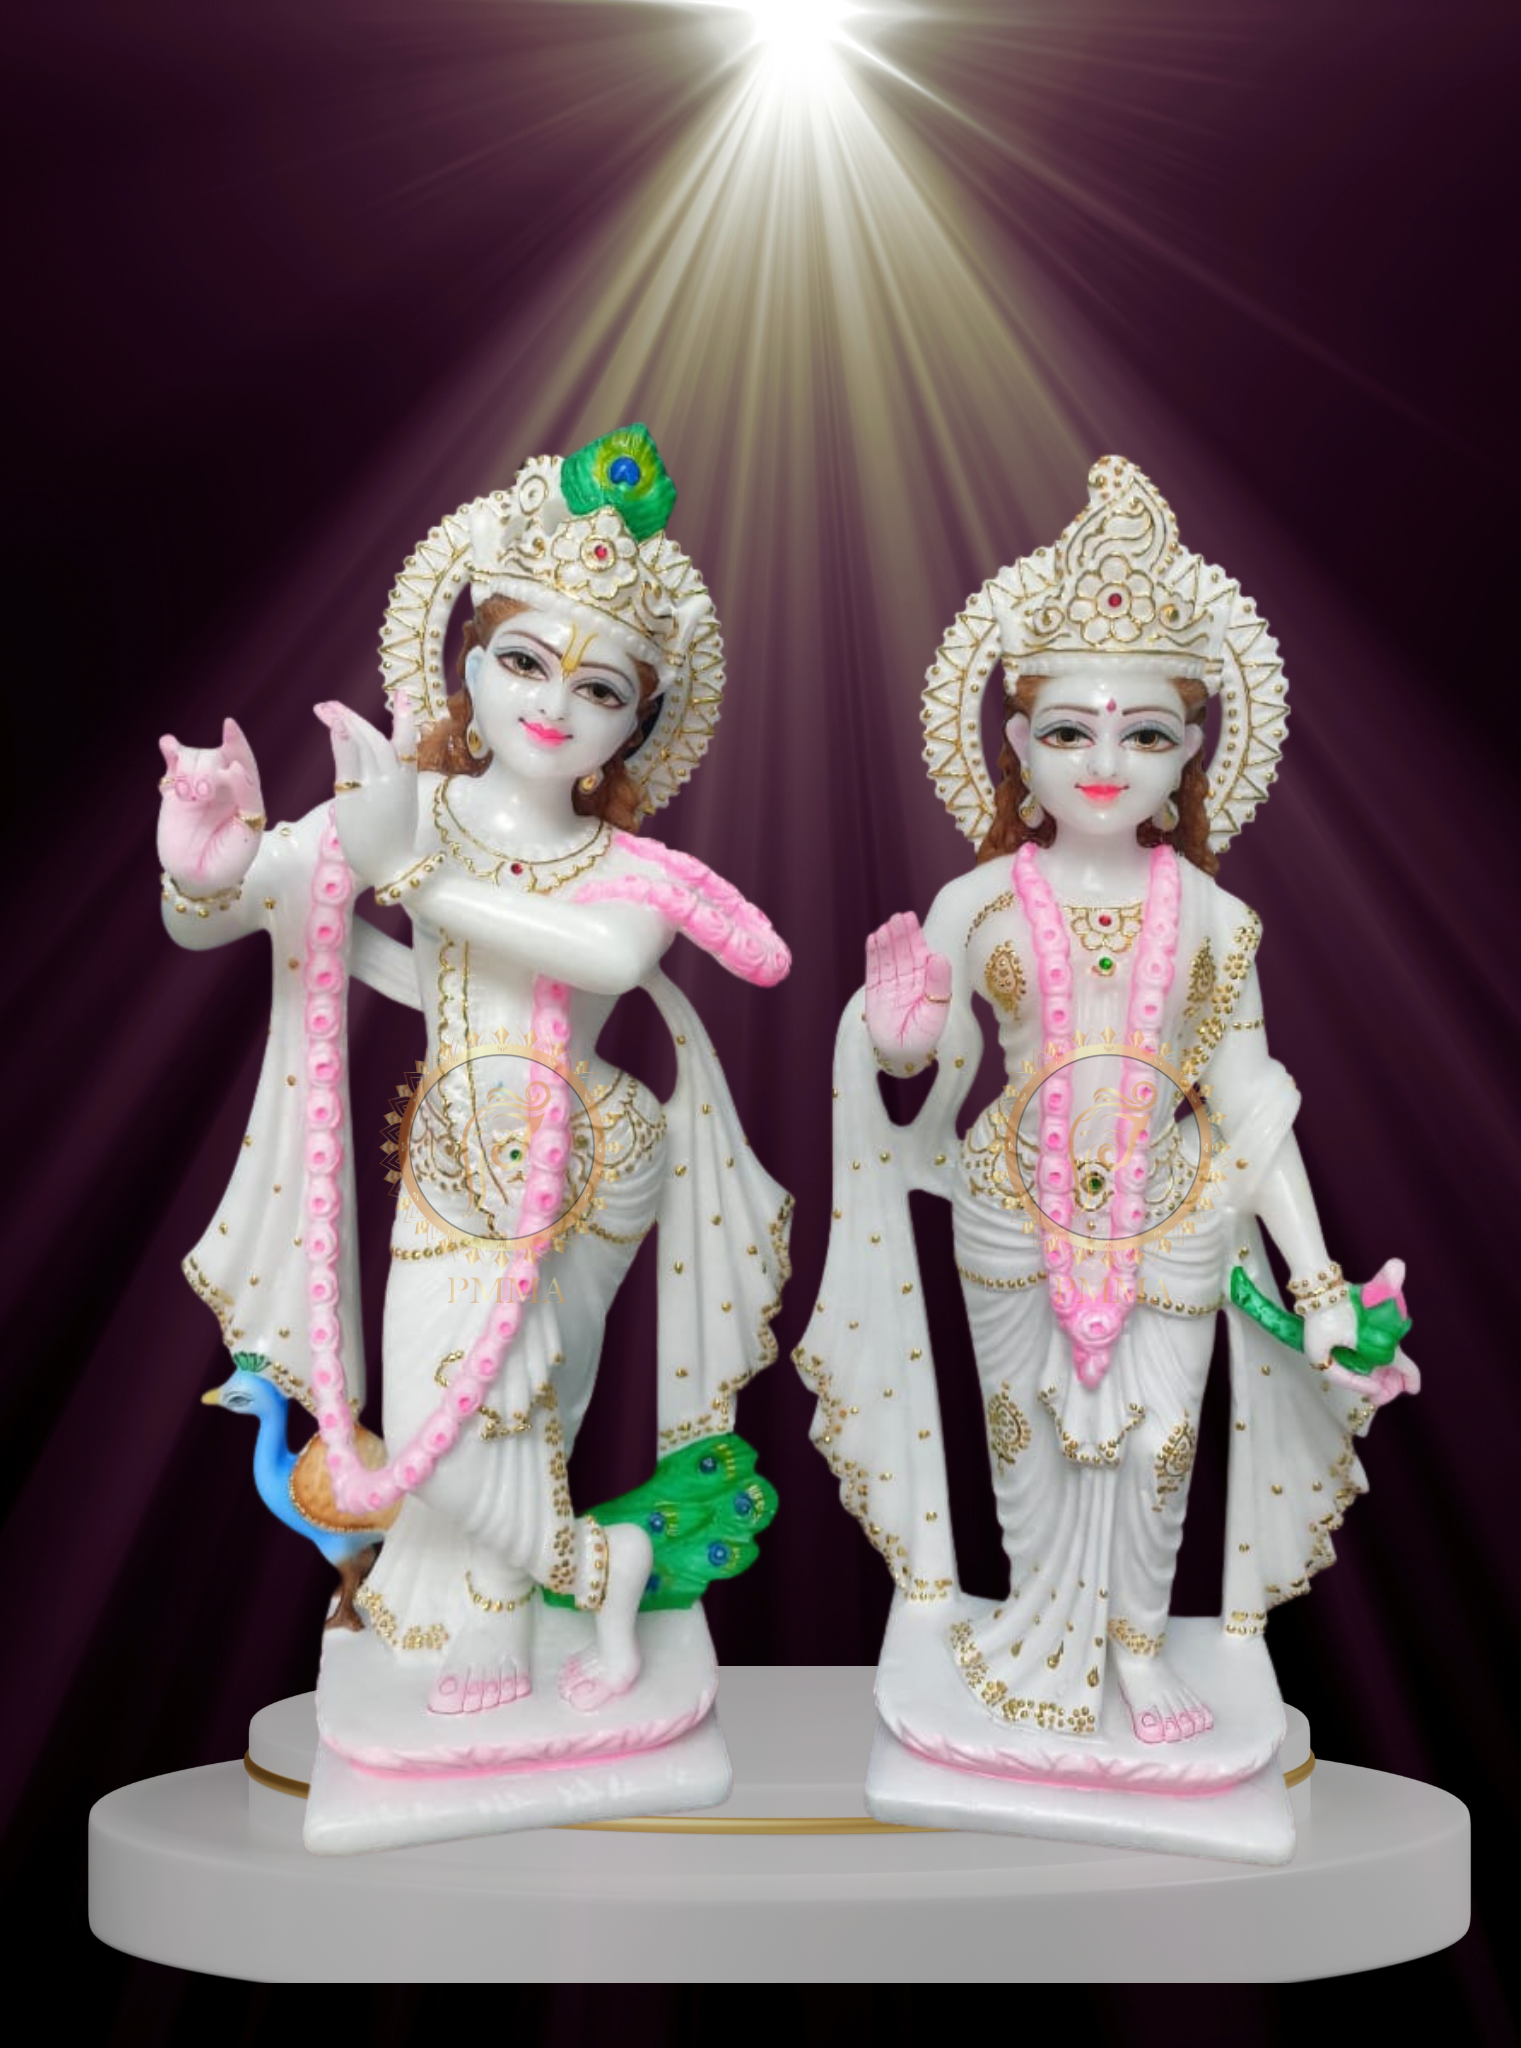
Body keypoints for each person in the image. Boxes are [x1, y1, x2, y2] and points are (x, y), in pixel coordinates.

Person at [159, 426, 790, 1723]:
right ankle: (592, 1568)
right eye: (523, 661)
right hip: (454, 1149)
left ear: (634, 727)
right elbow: (238, 911)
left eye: (600, 688)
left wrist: (406, 870)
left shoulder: (621, 867)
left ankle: (503, 1609)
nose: (553, 702)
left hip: (593, 1155)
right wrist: (202, 865)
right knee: (445, 1417)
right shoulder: (413, 805)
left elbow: (606, 953)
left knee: (524, 1403)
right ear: (467, 665)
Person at [796, 455, 1417, 1749]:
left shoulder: (1214, 918)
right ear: (1018, 747)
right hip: (1011, 1207)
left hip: (1172, 1211)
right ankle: (1044, 1625)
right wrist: (897, 1035)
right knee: (1025, 1441)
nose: (1103, 761)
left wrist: (1315, 1281)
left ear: (1188, 756)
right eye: (1069, 731)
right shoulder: (975, 903)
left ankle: (1136, 1642)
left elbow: (1249, 1099)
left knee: (1161, 1444)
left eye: (1142, 734)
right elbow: (920, 1055)